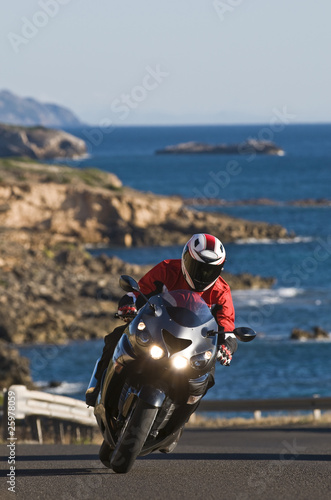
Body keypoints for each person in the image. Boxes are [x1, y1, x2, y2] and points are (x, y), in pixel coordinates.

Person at [86, 233, 237, 407]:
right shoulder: (166, 269)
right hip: (156, 330)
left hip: (192, 345)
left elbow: (227, 325)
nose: (202, 275)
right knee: (116, 338)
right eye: (197, 267)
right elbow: (140, 290)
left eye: (210, 271)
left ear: (220, 270)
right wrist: (129, 302)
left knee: (206, 376)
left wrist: (227, 346)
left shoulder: (221, 292)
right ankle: (96, 388)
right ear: (186, 259)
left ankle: (179, 420)